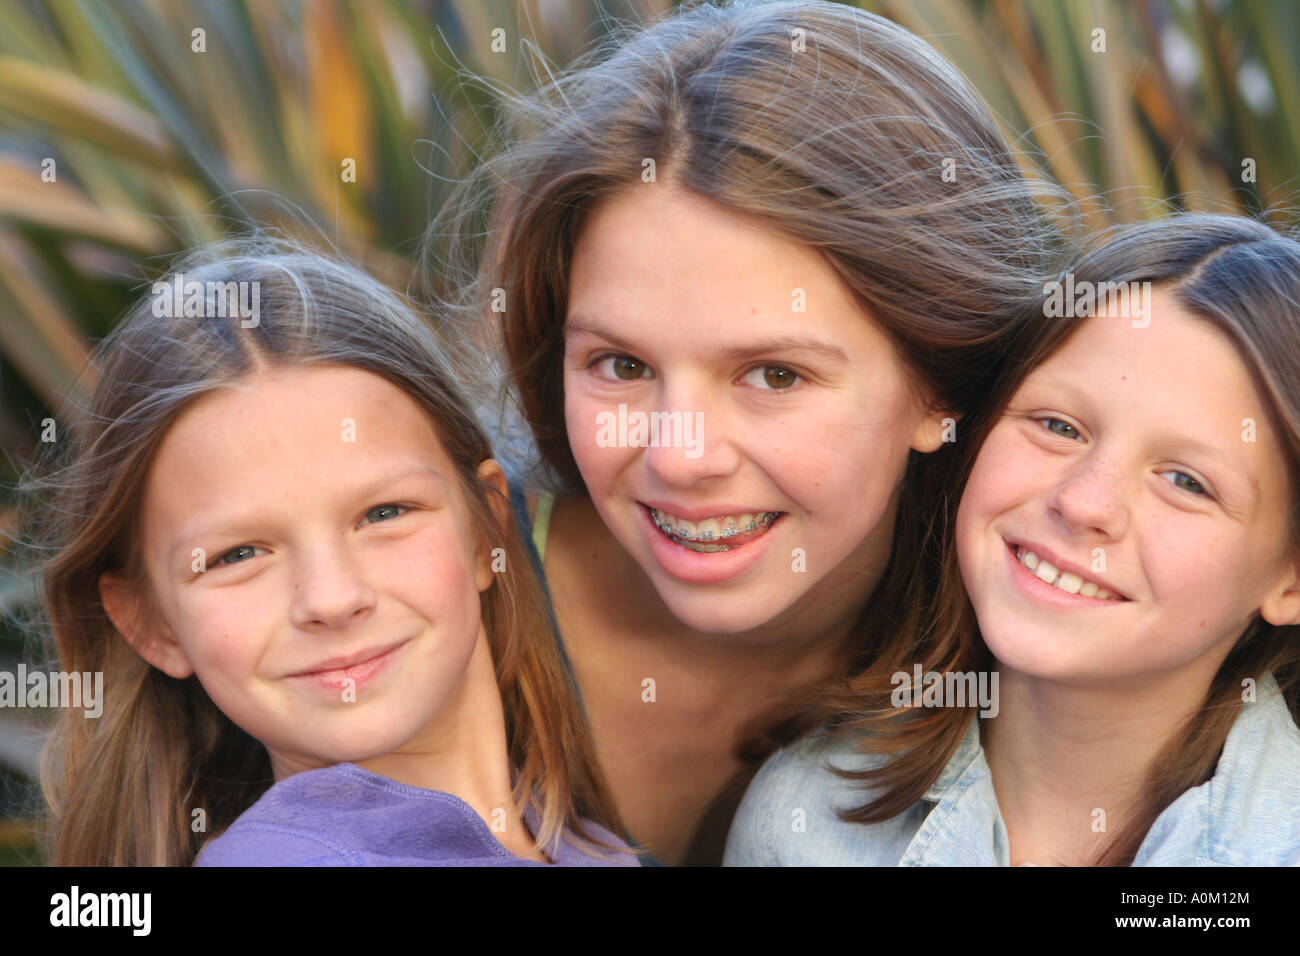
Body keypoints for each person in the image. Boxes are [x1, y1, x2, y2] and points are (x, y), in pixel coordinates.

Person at [429, 0, 1067, 863]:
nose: (680, 457)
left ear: (937, 389)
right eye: (621, 366)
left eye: (774, 375)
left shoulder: (1064, 645)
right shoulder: (410, 613)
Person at [24, 241, 636, 866]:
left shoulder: (591, 845)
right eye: (238, 555)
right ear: (148, 623)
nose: (332, 598)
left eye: (383, 514)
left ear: (486, 527)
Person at [725, 214, 1300, 866]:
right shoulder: (807, 818)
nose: (1083, 502)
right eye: (1058, 425)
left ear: (1290, 579)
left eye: (1186, 482)